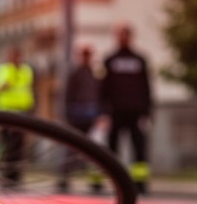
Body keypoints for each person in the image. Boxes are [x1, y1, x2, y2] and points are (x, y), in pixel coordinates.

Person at [101, 24, 153, 193]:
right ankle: (116, 183)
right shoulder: (110, 59)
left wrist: (147, 112)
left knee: (139, 148)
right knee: (112, 149)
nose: (122, 38)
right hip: (115, 112)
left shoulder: (140, 60)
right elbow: (104, 88)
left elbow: (146, 87)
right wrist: (104, 112)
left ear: (130, 37)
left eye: (125, 35)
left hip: (136, 112)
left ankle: (140, 183)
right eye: (120, 34)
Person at [0, 47, 35, 183]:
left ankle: (16, 174)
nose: (17, 59)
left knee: (19, 145)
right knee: (6, 144)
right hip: (5, 111)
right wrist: (5, 84)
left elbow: (27, 86)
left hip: (21, 111)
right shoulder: (1, 70)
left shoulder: (26, 70)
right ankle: (4, 172)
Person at [61, 45, 102, 191]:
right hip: (76, 117)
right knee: (72, 148)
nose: (86, 58)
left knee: (94, 149)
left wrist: (101, 114)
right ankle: (64, 177)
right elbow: (67, 96)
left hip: (91, 116)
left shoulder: (95, 74)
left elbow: (100, 95)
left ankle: (95, 180)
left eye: (88, 55)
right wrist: (67, 115)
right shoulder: (74, 74)